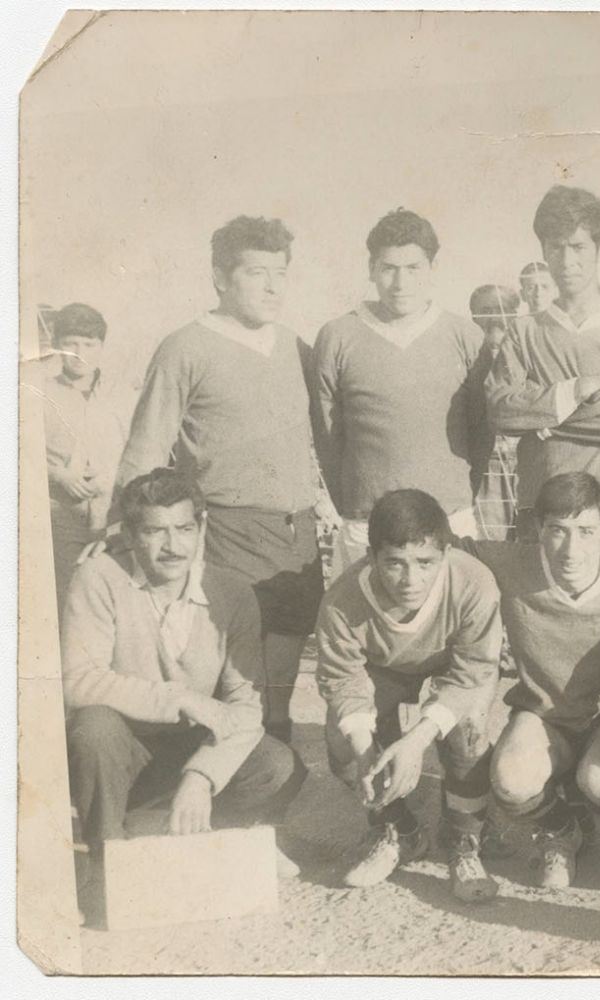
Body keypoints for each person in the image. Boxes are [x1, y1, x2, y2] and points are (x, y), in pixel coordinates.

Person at [108, 216, 321, 744]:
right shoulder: (185, 346)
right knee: (231, 679)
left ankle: (274, 771)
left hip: (297, 532)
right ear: (220, 278)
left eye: (280, 273)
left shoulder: (295, 346)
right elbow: (146, 449)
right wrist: (121, 531)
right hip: (225, 532)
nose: (272, 287)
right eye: (255, 273)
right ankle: (212, 776)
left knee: (280, 683)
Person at [63, 469, 306, 905]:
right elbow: (78, 680)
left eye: (184, 529)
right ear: (129, 534)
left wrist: (201, 776)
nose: (173, 546)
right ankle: (107, 860)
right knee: (94, 727)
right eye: (154, 531)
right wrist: (179, 697)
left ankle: (193, 830)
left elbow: (246, 707)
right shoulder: (98, 577)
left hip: (187, 750)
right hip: (121, 751)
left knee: (276, 764)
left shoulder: (232, 592)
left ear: (202, 528)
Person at [461, 472, 600, 890]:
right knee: (511, 780)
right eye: (558, 530)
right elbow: (437, 544)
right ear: (539, 528)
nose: (571, 549)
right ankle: (561, 829)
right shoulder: (511, 564)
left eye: (586, 531)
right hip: (543, 714)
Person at [315, 489, 502, 903]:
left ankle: (464, 837)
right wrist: (366, 752)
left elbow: (474, 670)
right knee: (342, 739)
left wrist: (417, 740)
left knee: (469, 729)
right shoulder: (342, 600)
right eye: (394, 563)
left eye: (425, 563)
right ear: (371, 556)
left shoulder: (473, 582)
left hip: (453, 665)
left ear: (446, 553)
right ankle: (398, 829)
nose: (410, 580)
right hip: (384, 666)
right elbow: (342, 680)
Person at [311, 208, 494, 576]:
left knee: (453, 609)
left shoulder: (466, 337)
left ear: (433, 268)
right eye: (388, 268)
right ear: (371, 269)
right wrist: (355, 502)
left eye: (413, 268)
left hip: (449, 518)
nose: (400, 282)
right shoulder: (337, 336)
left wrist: (456, 495)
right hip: (366, 522)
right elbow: (328, 435)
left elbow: (481, 431)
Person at [486, 185, 600, 550]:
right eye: (556, 247)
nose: (567, 261)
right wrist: (575, 391)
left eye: (578, 247)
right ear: (543, 251)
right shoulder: (524, 330)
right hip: (542, 499)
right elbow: (500, 409)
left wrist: (543, 418)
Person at [25, 303, 125, 615]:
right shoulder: (37, 394)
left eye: (89, 344)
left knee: (111, 595)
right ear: (57, 345)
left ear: (102, 346)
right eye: (71, 344)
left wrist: (112, 478)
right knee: (68, 598)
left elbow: (139, 449)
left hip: (114, 517)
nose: (80, 353)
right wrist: (58, 475)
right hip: (61, 519)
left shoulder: (123, 395)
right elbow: (20, 454)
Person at [469, 283, 525, 540]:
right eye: (486, 310)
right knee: (492, 542)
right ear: (473, 316)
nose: (494, 317)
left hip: (525, 463)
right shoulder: (466, 353)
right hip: (487, 466)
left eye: (502, 309)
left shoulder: (529, 348)